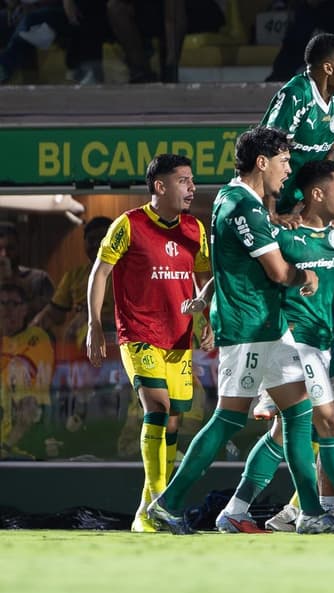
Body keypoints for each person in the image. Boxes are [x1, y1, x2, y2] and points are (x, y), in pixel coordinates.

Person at [214, 158, 334, 534]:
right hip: (291, 343)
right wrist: (211, 300)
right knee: (332, 423)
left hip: (320, 343)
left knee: (286, 433)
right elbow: (252, 268)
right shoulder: (282, 232)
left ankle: (240, 511)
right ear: (316, 194)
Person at [144, 127, 321, 535]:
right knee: (227, 418)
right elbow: (277, 272)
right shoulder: (247, 208)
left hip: (264, 329)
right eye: (283, 161)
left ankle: (307, 513)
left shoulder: (230, 197)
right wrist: (304, 274)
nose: (287, 169)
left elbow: (229, 262)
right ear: (262, 162)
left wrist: (206, 296)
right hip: (249, 330)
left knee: (298, 412)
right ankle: (167, 504)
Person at [86, 154, 212, 533]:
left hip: (179, 338)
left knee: (174, 418)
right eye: (184, 181)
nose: (192, 188)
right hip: (139, 335)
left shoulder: (195, 229)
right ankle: (156, 505)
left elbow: (205, 277)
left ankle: (149, 504)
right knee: (157, 407)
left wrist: (207, 318)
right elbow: (101, 271)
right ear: (160, 186)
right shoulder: (129, 225)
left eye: (192, 181)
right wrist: (94, 323)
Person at [261, 32, 334, 218]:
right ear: (329, 68)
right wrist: (271, 214)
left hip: (298, 201)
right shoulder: (296, 95)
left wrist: (317, 207)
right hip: (265, 201)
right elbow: (268, 154)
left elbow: (329, 156)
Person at [31, 217, 113, 347]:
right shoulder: (73, 276)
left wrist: (91, 319)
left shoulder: (131, 274)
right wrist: (28, 334)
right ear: (84, 243)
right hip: (82, 349)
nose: (97, 244)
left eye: (103, 239)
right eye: (91, 240)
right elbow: (52, 315)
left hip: (120, 347)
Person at [1, 282, 54, 459]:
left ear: (25, 309)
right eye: (2, 303)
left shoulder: (36, 339)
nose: (8, 310)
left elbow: (31, 405)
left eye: (14, 304)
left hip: (18, 450)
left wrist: (6, 447)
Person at [0, 221, 53, 321]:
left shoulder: (39, 279)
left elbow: (54, 316)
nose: (4, 254)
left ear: (19, 248)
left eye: (10, 248)